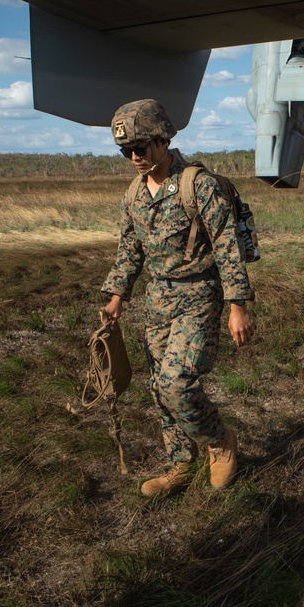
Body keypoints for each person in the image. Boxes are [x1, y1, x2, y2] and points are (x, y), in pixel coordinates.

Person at [101, 99, 254, 497]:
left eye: (140, 147)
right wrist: (117, 294)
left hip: (200, 294)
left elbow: (226, 245)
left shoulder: (197, 185)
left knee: (177, 382)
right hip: (159, 298)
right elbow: (129, 249)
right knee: (157, 385)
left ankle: (219, 442)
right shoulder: (134, 193)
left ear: (163, 139)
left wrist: (237, 305)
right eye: (125, 150)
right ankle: (181, 463)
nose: (133, 157)